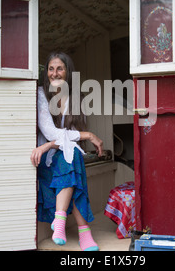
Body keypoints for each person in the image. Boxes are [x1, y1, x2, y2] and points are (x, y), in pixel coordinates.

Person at [31, 52, 103, 251]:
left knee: (72, 158)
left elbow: (68, 134)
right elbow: (48, 130)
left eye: (59, 68)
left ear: (67, 72)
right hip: (46, 160)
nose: (54, 73)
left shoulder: (74, 98)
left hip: (58, 153)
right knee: (72, 159)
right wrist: (88, 135)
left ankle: (60, 221)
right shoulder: (40, 94)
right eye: (51, 69)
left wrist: (49, 143)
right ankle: (84, 232)